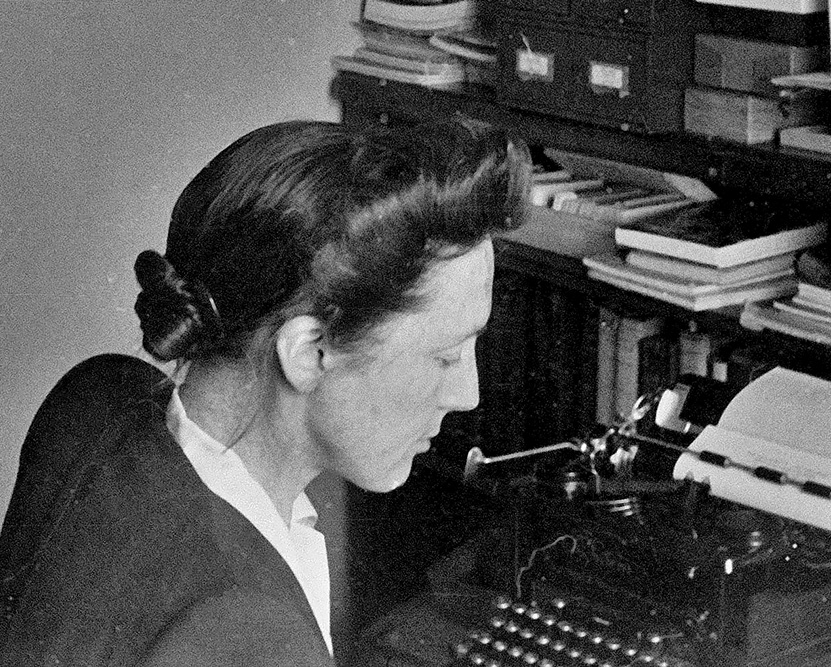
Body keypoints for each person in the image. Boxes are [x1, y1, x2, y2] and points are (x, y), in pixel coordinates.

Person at [0, 117, 532, 666]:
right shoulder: (250, 630)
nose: (467, 393)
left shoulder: (96, 396)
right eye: (444, 356)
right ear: (308, 352)